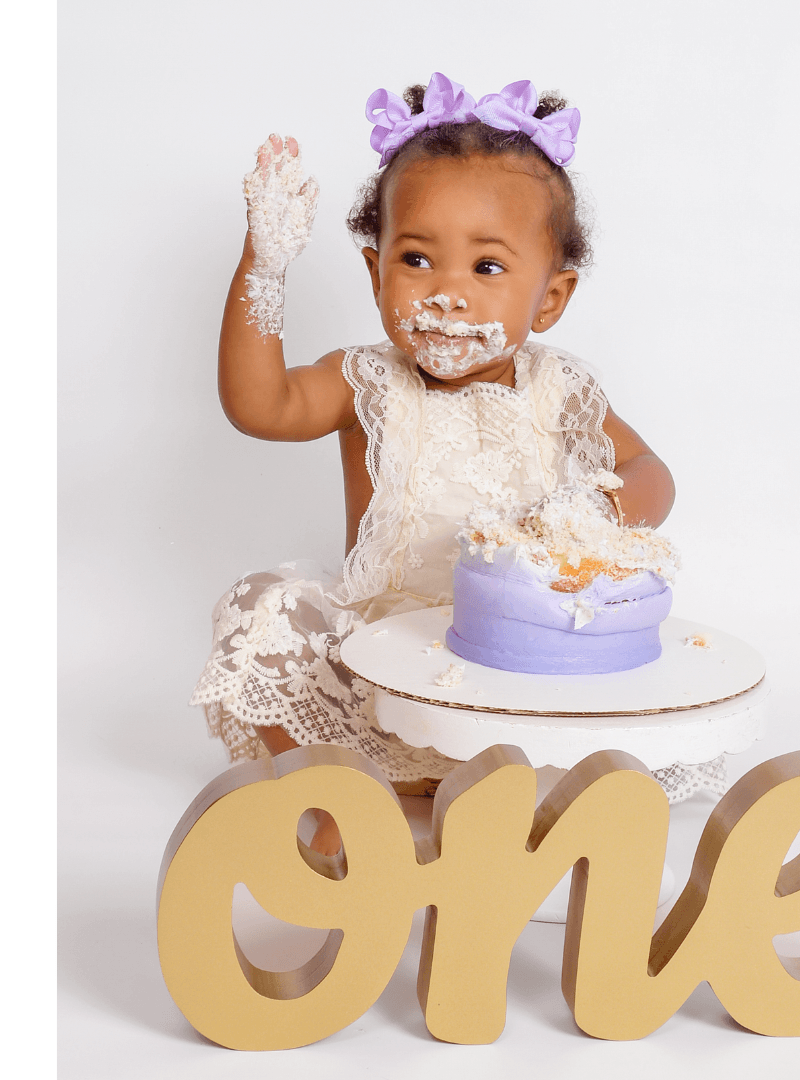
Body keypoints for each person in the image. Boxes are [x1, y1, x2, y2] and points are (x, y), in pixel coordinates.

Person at [192, 74, 703, 856]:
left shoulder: (558, 389)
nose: (449, 295)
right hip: (385, 656)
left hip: (514, 654)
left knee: (614, 662)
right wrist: (264, 269)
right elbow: (261, 406)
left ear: (551, 299)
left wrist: (592, 516)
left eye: (488, 269)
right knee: (261, 605)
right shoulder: (364, 378)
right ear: (373, 273)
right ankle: (337, 798)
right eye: (418, 259)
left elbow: (649, 470)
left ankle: (519, 798)